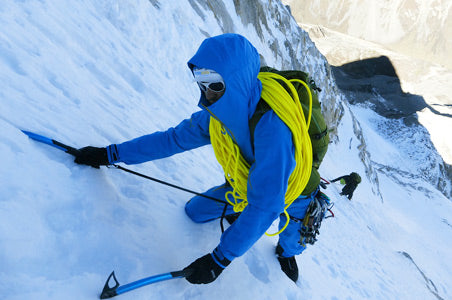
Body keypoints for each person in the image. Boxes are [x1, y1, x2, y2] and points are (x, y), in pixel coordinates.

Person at [73, 33, 323, 284]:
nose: (207, 91)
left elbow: (267, 204)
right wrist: (110, 154)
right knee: (195, 212)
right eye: (201, 79)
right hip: (249, 181)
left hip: (297, 188)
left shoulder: (272, 127)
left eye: (215, 83)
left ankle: (287, 252)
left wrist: (219, 259)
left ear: (237, 81)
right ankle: (244, 216)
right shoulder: (220, 114)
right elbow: (172, 139)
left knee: (290, 238)